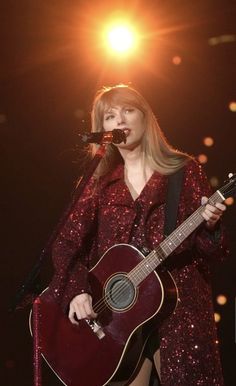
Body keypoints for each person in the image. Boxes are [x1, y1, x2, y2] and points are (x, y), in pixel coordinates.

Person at [47, 84, 228, 385]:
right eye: (110, 116)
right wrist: (78, 291)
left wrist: (210, 225)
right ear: (101, 129)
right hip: (117, 321)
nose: (120, 121)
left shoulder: (183, 172)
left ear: (146, 119)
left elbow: (216, 253)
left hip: (179, 313)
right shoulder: (98, 185)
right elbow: (66, 245)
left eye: (128, 111)